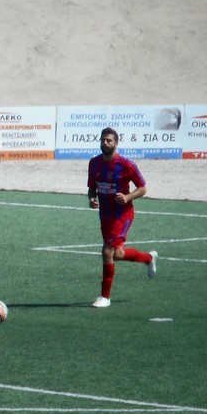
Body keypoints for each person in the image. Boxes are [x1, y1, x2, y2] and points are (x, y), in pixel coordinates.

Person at [87, 126, 157, 308]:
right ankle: (148, 258)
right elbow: (92, 188)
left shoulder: (126, 164)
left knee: (107, 252)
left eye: (109, 140)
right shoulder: (94, 163)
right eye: (103, 140)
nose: (105, 143)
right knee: (116, 253)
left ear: (116, 143)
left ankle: (105, 297)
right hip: (105, 214)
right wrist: (92, 199)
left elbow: (142, 188)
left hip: (122, 214)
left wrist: (127, 197)